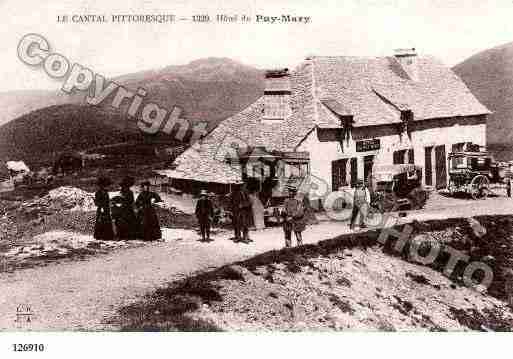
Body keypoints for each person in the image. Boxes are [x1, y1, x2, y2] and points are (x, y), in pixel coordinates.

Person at [113, 176, 138, 240]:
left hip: (126, 209)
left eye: (126, 186)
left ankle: (124, 236)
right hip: (125, 209)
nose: (124, 187)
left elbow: (131, 202)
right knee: (124, 222)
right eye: (124, 186)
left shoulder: (127, 192)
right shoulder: (126, 192)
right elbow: (131, 202)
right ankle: (124, 236)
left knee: (125, 222)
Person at [93, 176, 114, 241]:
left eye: (105, 185)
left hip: (106, 209)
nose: (105, 186)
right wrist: (101, 206)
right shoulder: (98, 193)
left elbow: (107, 202)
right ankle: (100, 236)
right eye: (104, 185)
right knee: (101, 221)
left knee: (106, 221)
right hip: (101, 209)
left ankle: (107, 236)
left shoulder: (106, 193)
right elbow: (97, 202)